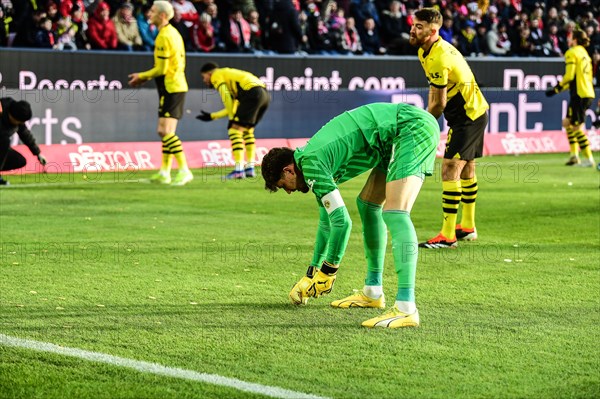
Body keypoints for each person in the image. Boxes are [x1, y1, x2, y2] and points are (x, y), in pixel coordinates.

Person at [261, 102, 440, 329]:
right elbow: (327, 222)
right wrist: (312, 272)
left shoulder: (312, 163)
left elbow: (342, 223)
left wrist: (328, 272)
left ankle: (406, 308)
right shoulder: (310, 161)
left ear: (288, 170)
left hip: (409, 128)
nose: (288, 191)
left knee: (396, 212)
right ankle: (373, 292)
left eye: (282, 185)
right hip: (390, 140)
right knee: (367, 204)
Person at [409, 7, 489, 249]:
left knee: (449, 169)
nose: (412, 30)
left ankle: (447, 235)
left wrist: (422, 125)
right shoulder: (427, 51)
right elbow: (437, 95)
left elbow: (438, 103)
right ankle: (467, 226)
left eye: (419, 27)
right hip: (472, 112)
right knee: (466, 170)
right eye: (413, 25)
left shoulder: (438, 56)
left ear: (433, 31)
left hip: (468, 117)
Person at [127, 1, 193, 186]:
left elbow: (162, 68)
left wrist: (142, 76)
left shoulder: (164, 36)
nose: (150, 13)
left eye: (153, 11)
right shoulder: (173, 32)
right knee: (167, 132)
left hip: (172, 86)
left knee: (164, 131)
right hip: (174, 85)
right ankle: (165, 172)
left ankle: (184, 169)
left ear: (163, 15)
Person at [196, 62, 270, 179]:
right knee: (247, 131)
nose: (204, 80)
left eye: (203, 77)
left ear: (209, 74)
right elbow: (232, 106)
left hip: (251, 93)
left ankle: (238, 170)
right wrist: (212, 116)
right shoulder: (230, 77)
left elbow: (227, 100)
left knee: (234, 130)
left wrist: (232, 120)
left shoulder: (216, 75)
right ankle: (250, 168)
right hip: (264, 94)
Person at [546, 29, 596, 167]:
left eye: (570, 37)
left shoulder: (572, 52)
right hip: (586, 92)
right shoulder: (585, 53)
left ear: (574, 40)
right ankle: (574, 156)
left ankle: (588, 159)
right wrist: (559, 89)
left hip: (579, 95)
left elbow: (569, 76)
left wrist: (556, 88)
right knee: (567, 122)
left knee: (577, 127)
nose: (568, 40)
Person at [0, 99, 47, 186]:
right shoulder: (1, 110)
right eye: (20, 122)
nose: (20, 124)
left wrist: (38, 153)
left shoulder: (16, 116)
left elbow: (25, 134)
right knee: (4, 141)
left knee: (19, 161)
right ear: (11, 116)